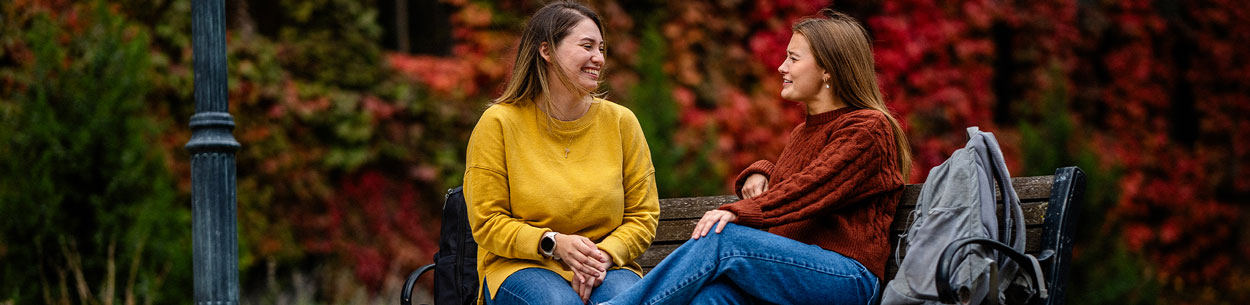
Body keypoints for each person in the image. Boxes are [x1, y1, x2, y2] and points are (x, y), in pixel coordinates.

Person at [602, 9, 913, 305]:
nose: (781, 67)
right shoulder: (802, 133)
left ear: (827, 69)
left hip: (847, 279)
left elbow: (815, 186)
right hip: (790, 275)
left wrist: (742, 211)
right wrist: (762, 172)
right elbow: (801, 181)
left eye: (793, 58)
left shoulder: (869, 128)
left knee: (723, 239)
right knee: (710, 298)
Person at [463, 2, 660, 305]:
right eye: (587, 46)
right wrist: (554, 243)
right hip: (522, 265)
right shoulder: (499, 123)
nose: (599, 58)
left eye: (602, 48)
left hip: (606, 264)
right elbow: (487, 221)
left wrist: (603, 256)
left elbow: (642, 215)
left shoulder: (621, 122)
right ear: (547, 51)